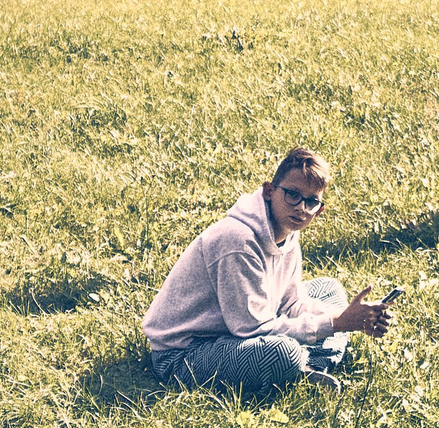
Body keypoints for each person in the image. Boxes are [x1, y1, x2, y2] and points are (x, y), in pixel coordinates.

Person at [142, 146, 397, 394]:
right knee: (283, 353)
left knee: (329, 289)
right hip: (186, 353)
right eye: (292, 195)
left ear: (319, 211)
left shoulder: (287, 231)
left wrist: (352, 317)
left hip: (243, 328)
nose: (300, 208)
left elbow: (291, 303)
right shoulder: (237, 241)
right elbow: (252, 330)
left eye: (311, 202)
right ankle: (300, 364)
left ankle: (309, 370)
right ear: (269, 191)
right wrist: (337, 324)